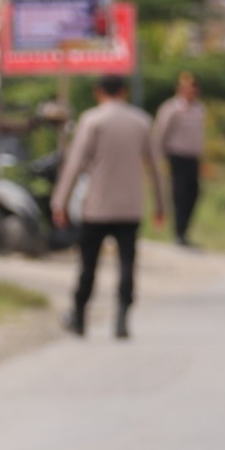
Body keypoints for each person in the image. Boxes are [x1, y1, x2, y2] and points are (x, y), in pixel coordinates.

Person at [51, 73, 166, 340]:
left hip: (97, 206)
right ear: (124, 91)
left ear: (99, 92)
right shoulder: (141, 121)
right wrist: (161, 205)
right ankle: (122, 320)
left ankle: (79, 318)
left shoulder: (92, 120)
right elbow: (156, 169)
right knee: (127, 264)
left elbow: (75, 163)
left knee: (88, 264)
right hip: (130, 207)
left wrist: (60, 202)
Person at [152, 72, 205, 246]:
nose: (190, 91)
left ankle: (184, 231)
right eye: (186, 87)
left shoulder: (199, 109)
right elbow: (161, 135)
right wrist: (159, 159)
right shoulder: (171, 108)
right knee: (179, 195)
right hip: (177, 156)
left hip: (193, 157)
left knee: (194, 194)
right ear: (180, 89)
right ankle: (178, 233)